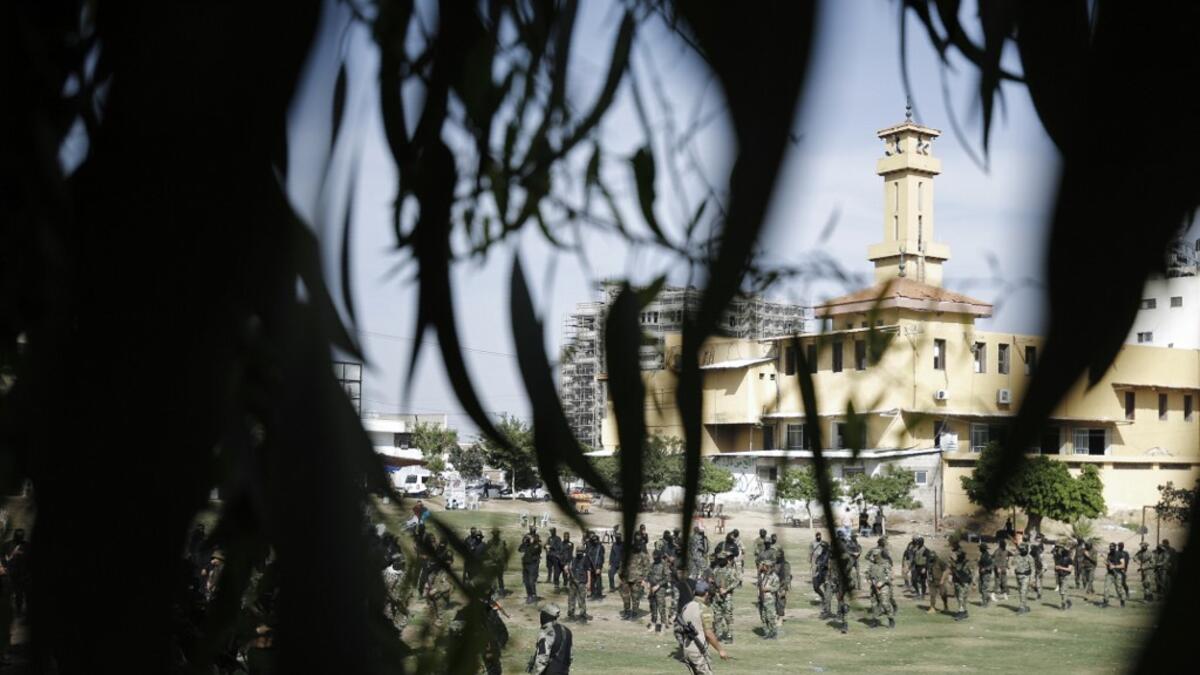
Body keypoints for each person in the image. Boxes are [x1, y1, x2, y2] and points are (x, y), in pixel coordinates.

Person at [676, 579, 728, 674]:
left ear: (694, 592)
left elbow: (679, 630)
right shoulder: (704, 609)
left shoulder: (686, 607)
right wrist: (721, 650)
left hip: (687, 649)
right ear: (706, 594)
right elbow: (708, 633)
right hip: (698, 650)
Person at [528, 603, 572, 674]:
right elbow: (570, 656)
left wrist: (535, 672)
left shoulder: (546, 632)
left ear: (545, 616)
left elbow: (542, 658)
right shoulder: (567, 631)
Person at [865, 547, 895, 628]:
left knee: (885, 603)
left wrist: (882, 582)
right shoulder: (872, 565)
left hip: (884, 587)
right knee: (874, 604)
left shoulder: (886, 564)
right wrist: (868, 579)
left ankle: (891, 619)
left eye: (875, 555)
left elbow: (889, 576)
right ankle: (875, 621)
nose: (874, 557)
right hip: (873, 586)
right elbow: (867, 573)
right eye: (873, 555)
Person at [711, 550, 737, 643]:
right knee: (717, 616)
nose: (720, 561)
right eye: (719, 559)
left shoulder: (731, 570)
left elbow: (735, 582)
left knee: (728, 616)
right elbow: (713, 581)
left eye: (722, 559)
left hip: (727, 597)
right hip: (717, 596)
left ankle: (729, 635)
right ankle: (719, 634)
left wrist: (726, 590)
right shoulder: (716, 569)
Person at [382, 554, 410, 633]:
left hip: (397, 602)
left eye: (403, 563)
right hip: (387, 603)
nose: (403, 565)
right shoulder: (385, 573)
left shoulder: (403, 574)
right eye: (402, 563)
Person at [565, 548, 592, 623]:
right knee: (571, 599)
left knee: (581, 600)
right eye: (578, 552)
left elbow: (588, 571)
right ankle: (571, 614)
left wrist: (589, 582)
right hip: (572, 583)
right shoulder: (573, 559)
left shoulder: (585, 559)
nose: (579, 553)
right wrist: (567, 570)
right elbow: (568, 568)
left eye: (580, 552)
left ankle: (582, 615)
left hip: (581, 583)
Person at [519, 527, 543, 604]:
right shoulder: (527, 544)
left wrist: (532, 542)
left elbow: (533, 551)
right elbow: (520, 549)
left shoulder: (537, 546)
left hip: (533, 564)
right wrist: (524, 542)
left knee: (531, 581)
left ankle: (534, 595)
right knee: (526, 581)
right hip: (525, 564)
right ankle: (529, 595)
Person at [757, 561, 780, 639]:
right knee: (763, 616)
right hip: (761, 598)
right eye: (764, 566)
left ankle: (774, 632)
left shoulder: (774, 577)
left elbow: (776, 587)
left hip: (769, 599)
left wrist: (768, 589)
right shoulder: (762, 575)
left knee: (771, 616)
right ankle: (767, 632)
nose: (765, 568)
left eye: (766, 566)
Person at [1101, 542, 1127, 608]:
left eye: (1112, 548)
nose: (1111, 549)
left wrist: (1114, 566)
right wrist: (1105, 562)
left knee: (1119, 589)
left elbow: (1123, 565)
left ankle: (1122, 601)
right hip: (1109, 574)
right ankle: (1105, 602)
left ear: (1115, 548)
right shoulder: (1109, 554)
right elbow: (1108, 563)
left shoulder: (1120, 554)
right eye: (1110, 547)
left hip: (1117, 574)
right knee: (1106, 588)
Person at [1012, 542, 1034, 614]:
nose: (1022, 550)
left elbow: (1033, 569)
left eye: (1023, 549)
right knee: (1021, 592)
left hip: (1026, 577)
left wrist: (1032, 579)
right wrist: (1015, 554)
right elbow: (1013, 563)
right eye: (1021, 549)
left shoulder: (1030, 557)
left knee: (1023, 591)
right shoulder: (1017, 556)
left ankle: (1021, 608)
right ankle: (1024, 606)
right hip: (1018, 576)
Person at [951, 549, 972, 621]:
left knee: (961, 598)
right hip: (959, 582)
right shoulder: (958, 563)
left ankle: (961, 612)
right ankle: (964, 611)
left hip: (963, 583)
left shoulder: (964, 563)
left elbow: (969, 573)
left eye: (958, 555)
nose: (957, 556)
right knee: (961, 598)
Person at [1052, 540, 1074, 610]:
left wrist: (1060, 567)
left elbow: (1070, 569)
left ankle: (1063, 605)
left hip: (1066, 576)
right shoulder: (1060, 558)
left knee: (1063, 591)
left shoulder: (1069, 560)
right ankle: (1068, 601)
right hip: (1060, 576)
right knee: (1061, 591)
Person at [587, 533, 606, 599]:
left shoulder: (600, 547)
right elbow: (589, 557)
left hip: (597, 566)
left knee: (598, 581)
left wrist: (599, 567)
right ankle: (592, 593)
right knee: (592, 581)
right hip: (592, 566)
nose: (595, 541)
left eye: (596, 540)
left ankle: (599, 594)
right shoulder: (590, 547)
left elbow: (601, 558)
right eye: (593, 540)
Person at [775, 550, 792, 620]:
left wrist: (784, 587)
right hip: (774, 585)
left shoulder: (786, 565)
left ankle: (780, 617)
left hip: (782, 585)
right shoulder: (774, 564)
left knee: (781, 601)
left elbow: (787, 576)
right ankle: (776, 615)